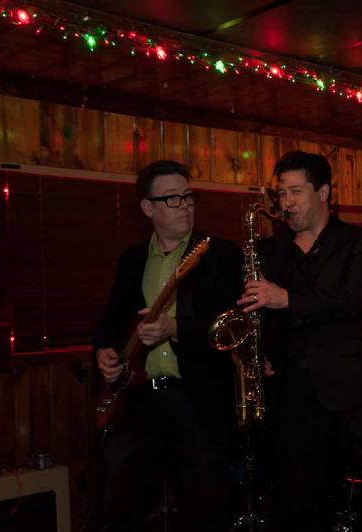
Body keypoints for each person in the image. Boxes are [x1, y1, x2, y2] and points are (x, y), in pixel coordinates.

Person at [238, 150, 362, 532]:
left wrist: (287, 298)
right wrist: (261, 351)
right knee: (299, 497)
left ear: (324, 193)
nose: (286, 203)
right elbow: (263, 315)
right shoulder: (270, 251)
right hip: (292, 391)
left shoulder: (359, 241)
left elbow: (351, 299)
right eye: (282, 193)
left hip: (351, 386)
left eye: (296, 191)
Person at [93, 160, 243, 532]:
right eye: (172, 198)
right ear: (148, 207)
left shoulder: (220, 255)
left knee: (205, 505)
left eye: (188, 196)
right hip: (140, 399)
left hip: (197, 399)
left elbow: (232, 325)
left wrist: (174, 327)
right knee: (118, 497)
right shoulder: (132, 260)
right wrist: (104, 352)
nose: (185, 205)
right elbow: (110, 321)